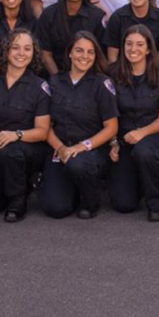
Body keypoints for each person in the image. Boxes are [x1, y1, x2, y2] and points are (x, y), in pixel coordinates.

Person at [0, 29, 51, 222]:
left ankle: (18, 199)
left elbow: (43, 132)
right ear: (6, 50)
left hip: (27, 148)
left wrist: (16, 135)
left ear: (33, 53)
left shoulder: (40, 86)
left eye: (27, 49)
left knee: (11, 152)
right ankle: (13, 185)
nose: (21, 53)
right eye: (15, 48)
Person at [39, 32, 119, 219]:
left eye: (90, 52)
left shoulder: (102, 83)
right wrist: (60, 148)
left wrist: (81, 147)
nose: (85, 56)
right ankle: (71, 189)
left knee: (78, 165)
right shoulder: (54, 81)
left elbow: (111, 127)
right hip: (60, 148)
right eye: (79, 50)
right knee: (56, 209)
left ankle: (90, 201)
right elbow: (45, 125)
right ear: (69, 53)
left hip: (91, 149)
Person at [107, 25, 159, 221]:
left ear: (147, 49)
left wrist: (141, 133)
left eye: (139, 44)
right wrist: (112, 143)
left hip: (152, 135)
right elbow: (108, 114)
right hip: (122, 138)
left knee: (144, 152)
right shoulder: (112, 74)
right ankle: (142, 181)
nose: (133, 49)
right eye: (128, 44)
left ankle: (156, 204)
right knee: (123, 205)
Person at [36, 0, 106, 75]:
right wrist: (58, 81)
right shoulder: (48, 15)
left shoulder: (97, 16)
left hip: (89, 76)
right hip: (55, 75)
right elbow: (45, 53)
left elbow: (101, 55)